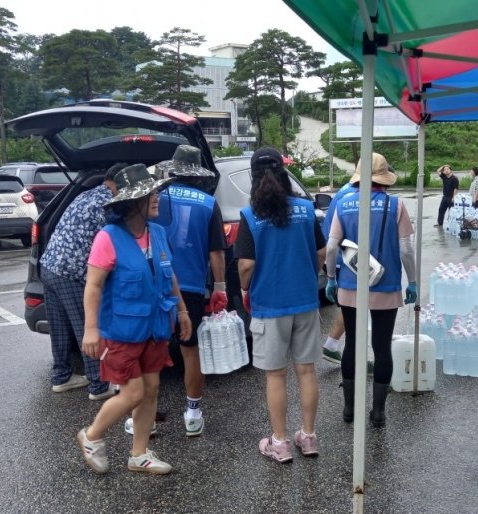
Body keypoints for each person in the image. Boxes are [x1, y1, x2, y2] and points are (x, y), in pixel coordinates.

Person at [78, 163, 191, 475]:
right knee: (133, 392)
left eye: (155, 192)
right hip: (122, 331)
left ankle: (139, 454)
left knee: (151, 388)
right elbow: (93, 286)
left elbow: (169, 276)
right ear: (131, 202)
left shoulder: (158, 233)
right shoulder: (108, 237)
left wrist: (182, 311)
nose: (156, 198)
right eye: (149, 194)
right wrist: (90, 329)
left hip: (155, 328)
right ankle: (91, 436)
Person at [236, 147, 326, 463]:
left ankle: (280, 442)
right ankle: (309, 436)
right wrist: (309, 273)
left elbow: (246, 265)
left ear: (253, 177)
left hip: (269, 304)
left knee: (276, 376)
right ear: (283, 173)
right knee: (307, 370)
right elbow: (321, 252)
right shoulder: (306, 209)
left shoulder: (250, 215)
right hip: (305, 300)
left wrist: (245, 288)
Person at [325, 153, 417, 428]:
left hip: (350, 284)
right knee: (381, 346)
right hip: (386, 284)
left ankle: (349, 409)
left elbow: (331, 247)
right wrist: (412, 281)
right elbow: (406, 249)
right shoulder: (396, 205)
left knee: (352, 344)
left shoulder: (343, 203)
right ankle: (378, 412)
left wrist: (331, 278)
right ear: (384, 178)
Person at [149, 145, 227, 437]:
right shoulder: (208, 203)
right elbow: (216, 252)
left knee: (152, 350)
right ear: (197, 174)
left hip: (157, 284)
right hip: (192, 288)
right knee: (191, 350)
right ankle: (193, 415)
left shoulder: (155, 198)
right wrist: (219, 287)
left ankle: (144, 415)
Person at [40, 163, 124, 401]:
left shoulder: (85, 194)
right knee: (86, 326)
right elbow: (114, 241)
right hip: (72, 273)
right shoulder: (109, 204)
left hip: (49, 265)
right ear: (118, 184)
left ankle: (61, 377)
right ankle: (99, 385)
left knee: (59, 326)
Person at [320, 181, 356, 364]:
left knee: (350, 305)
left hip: (337, 256)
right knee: (353, 305)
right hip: (344, 258)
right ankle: (334, 347)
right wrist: (331, 277)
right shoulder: (354, 196)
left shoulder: (347, 190)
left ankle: (332, 345)